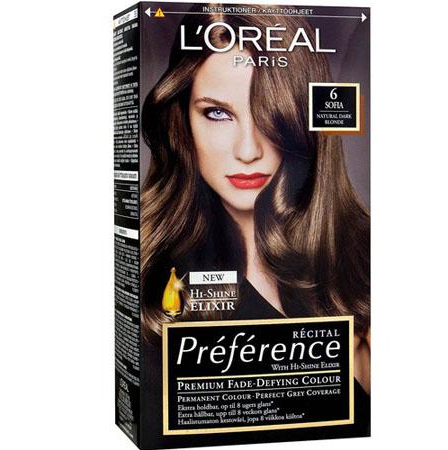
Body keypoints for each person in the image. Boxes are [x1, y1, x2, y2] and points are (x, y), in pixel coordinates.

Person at [140, 8, 370, 395]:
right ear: (181, 120)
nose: (248, 151)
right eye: (217, 113)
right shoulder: (150, 275)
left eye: (268, 114)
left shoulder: (363, 260)